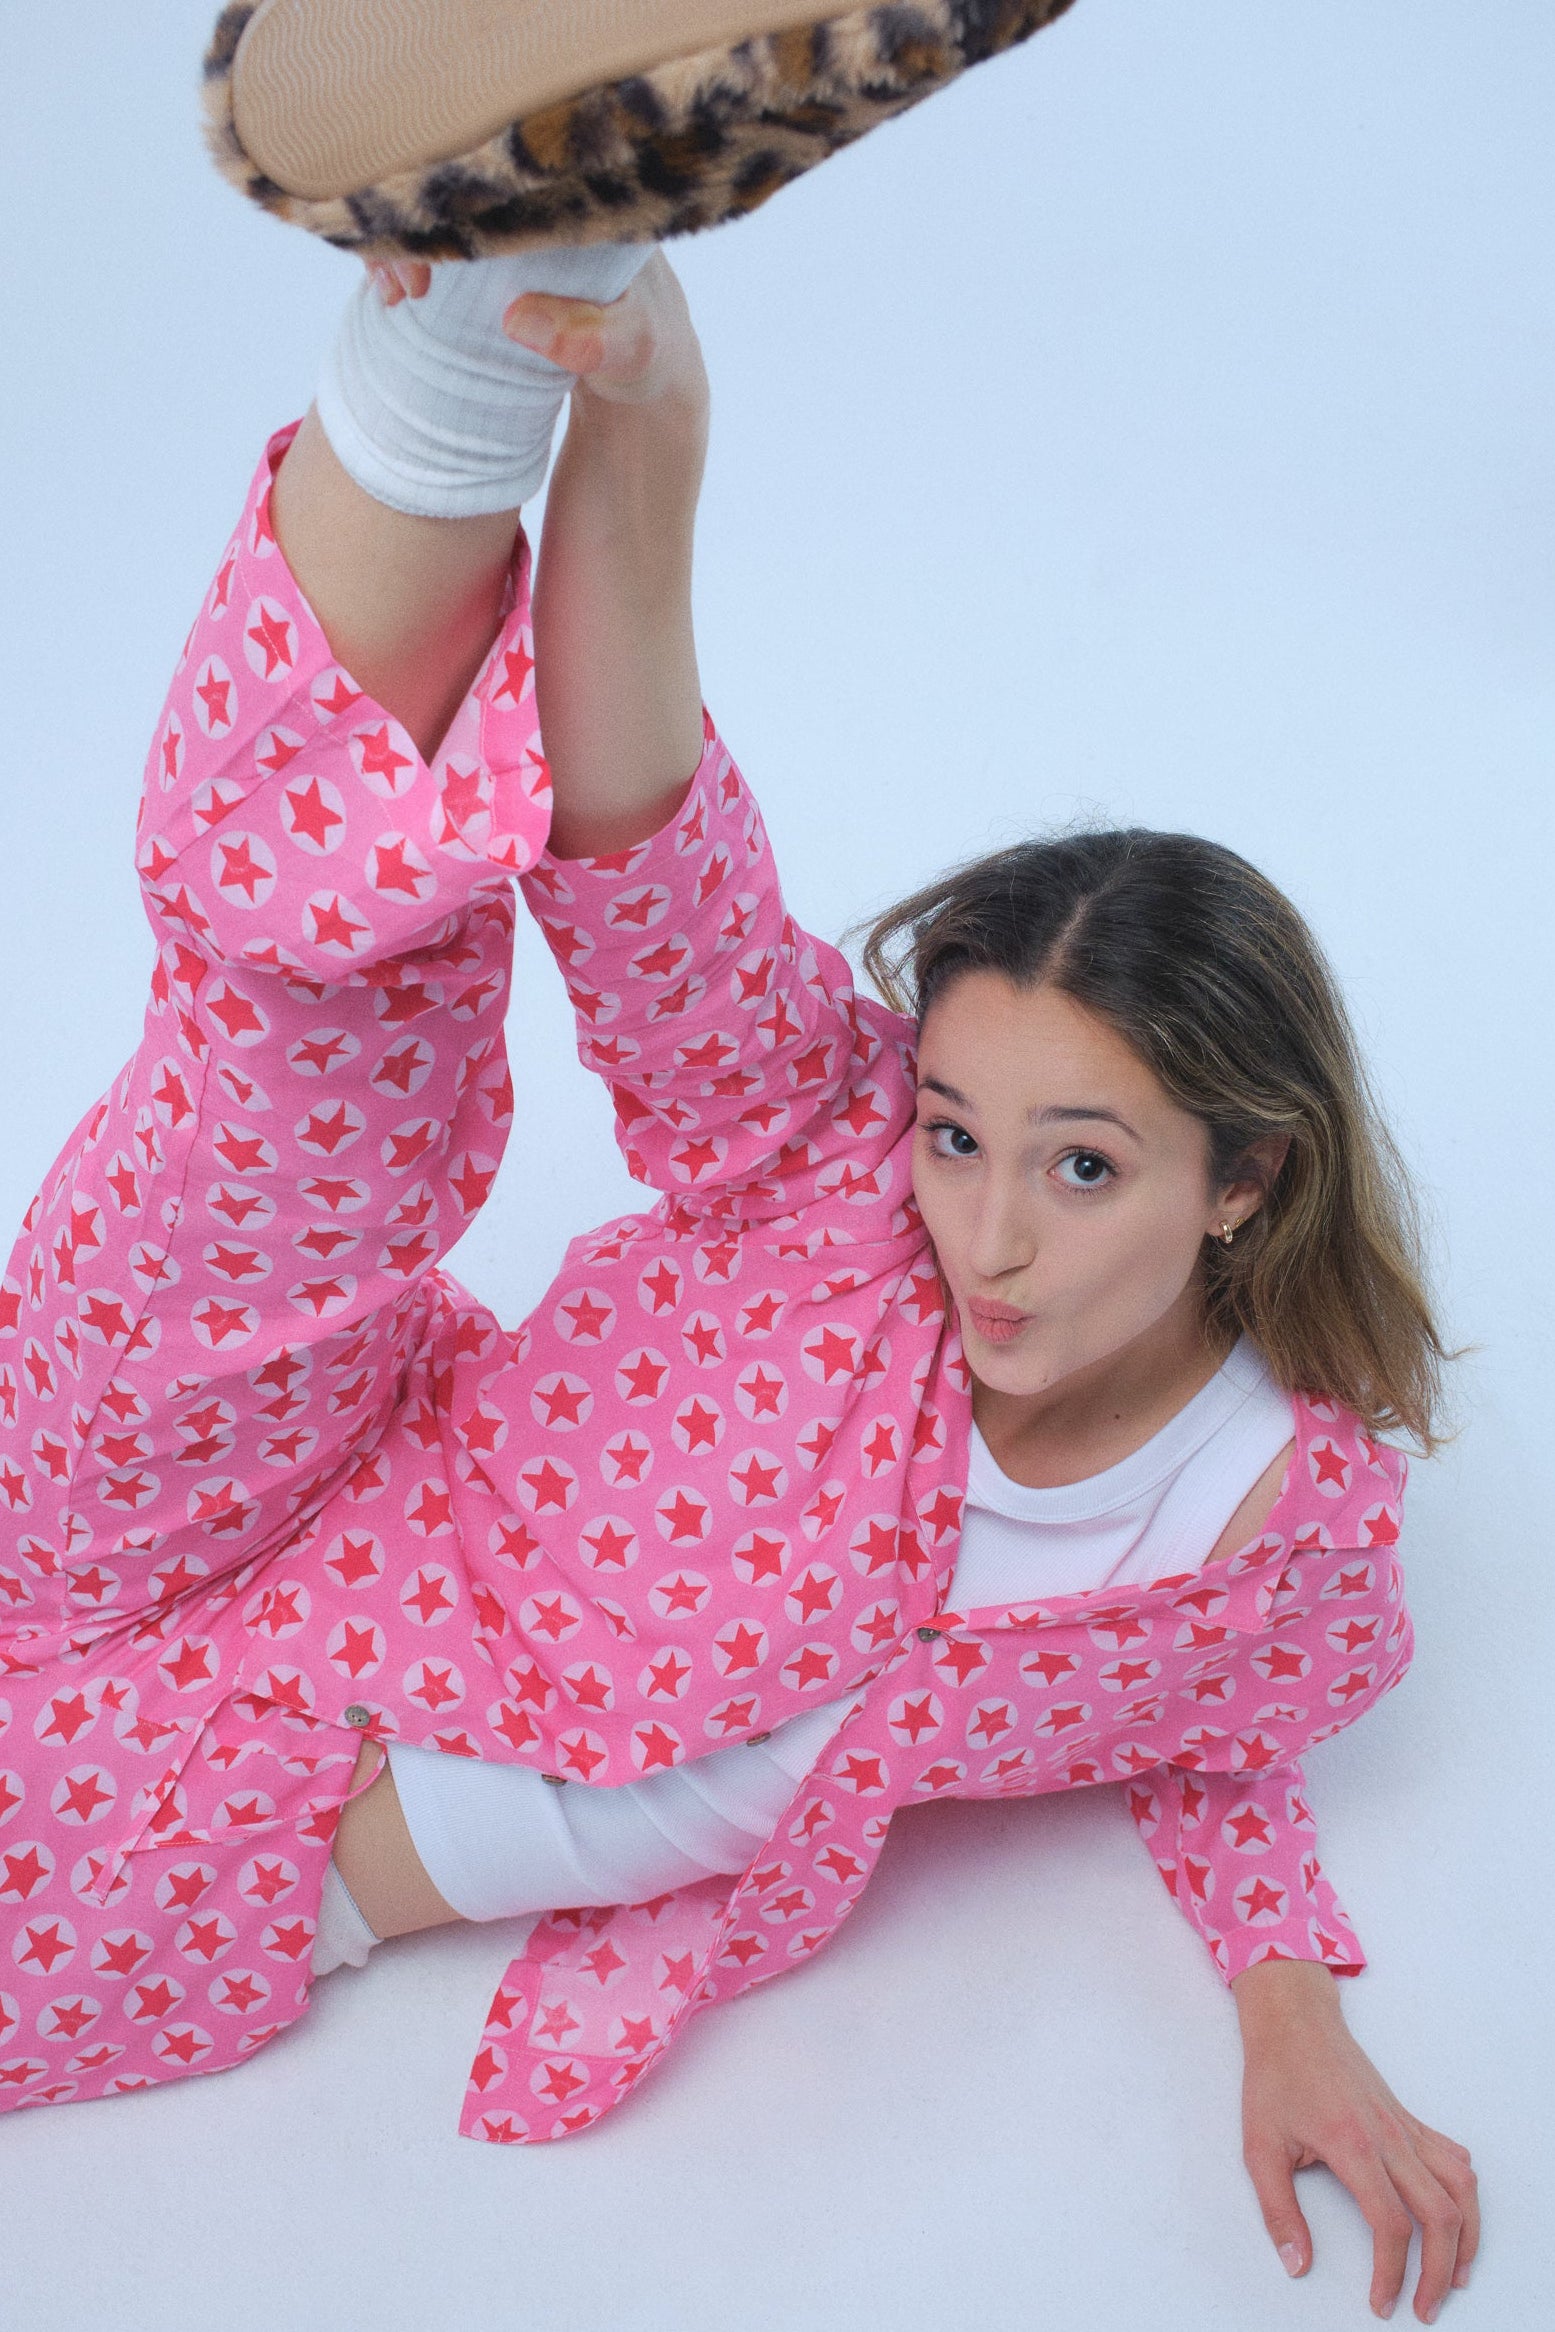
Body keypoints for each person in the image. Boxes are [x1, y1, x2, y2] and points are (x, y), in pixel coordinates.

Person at [0, 228, 1474, 2332]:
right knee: (320, 1096)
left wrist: (1289, 2006)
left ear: (1247, 1179)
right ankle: (490, 302)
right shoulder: (830, 1157)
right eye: (957, 1132)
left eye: (1083, 1166)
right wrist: (643, 426)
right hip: (227, 1478)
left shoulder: (1286, 1543)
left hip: (190, 1851)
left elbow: (1208, 1724)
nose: (986, 1233)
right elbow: (644, 844)